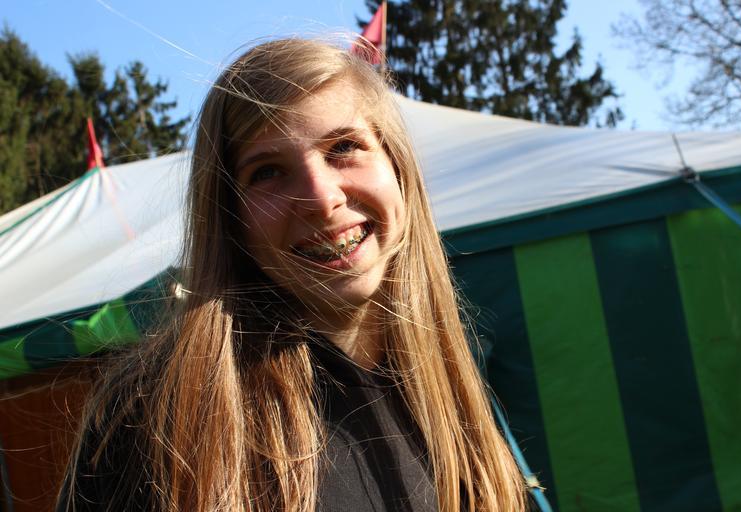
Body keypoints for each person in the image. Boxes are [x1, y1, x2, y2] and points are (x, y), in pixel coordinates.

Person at [57, 38, 529, 512]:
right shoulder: (155, 419)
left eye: (344, 147)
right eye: (267, 172)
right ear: (230, 217)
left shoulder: (456, 392)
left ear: (397, 166)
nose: (321, 199)